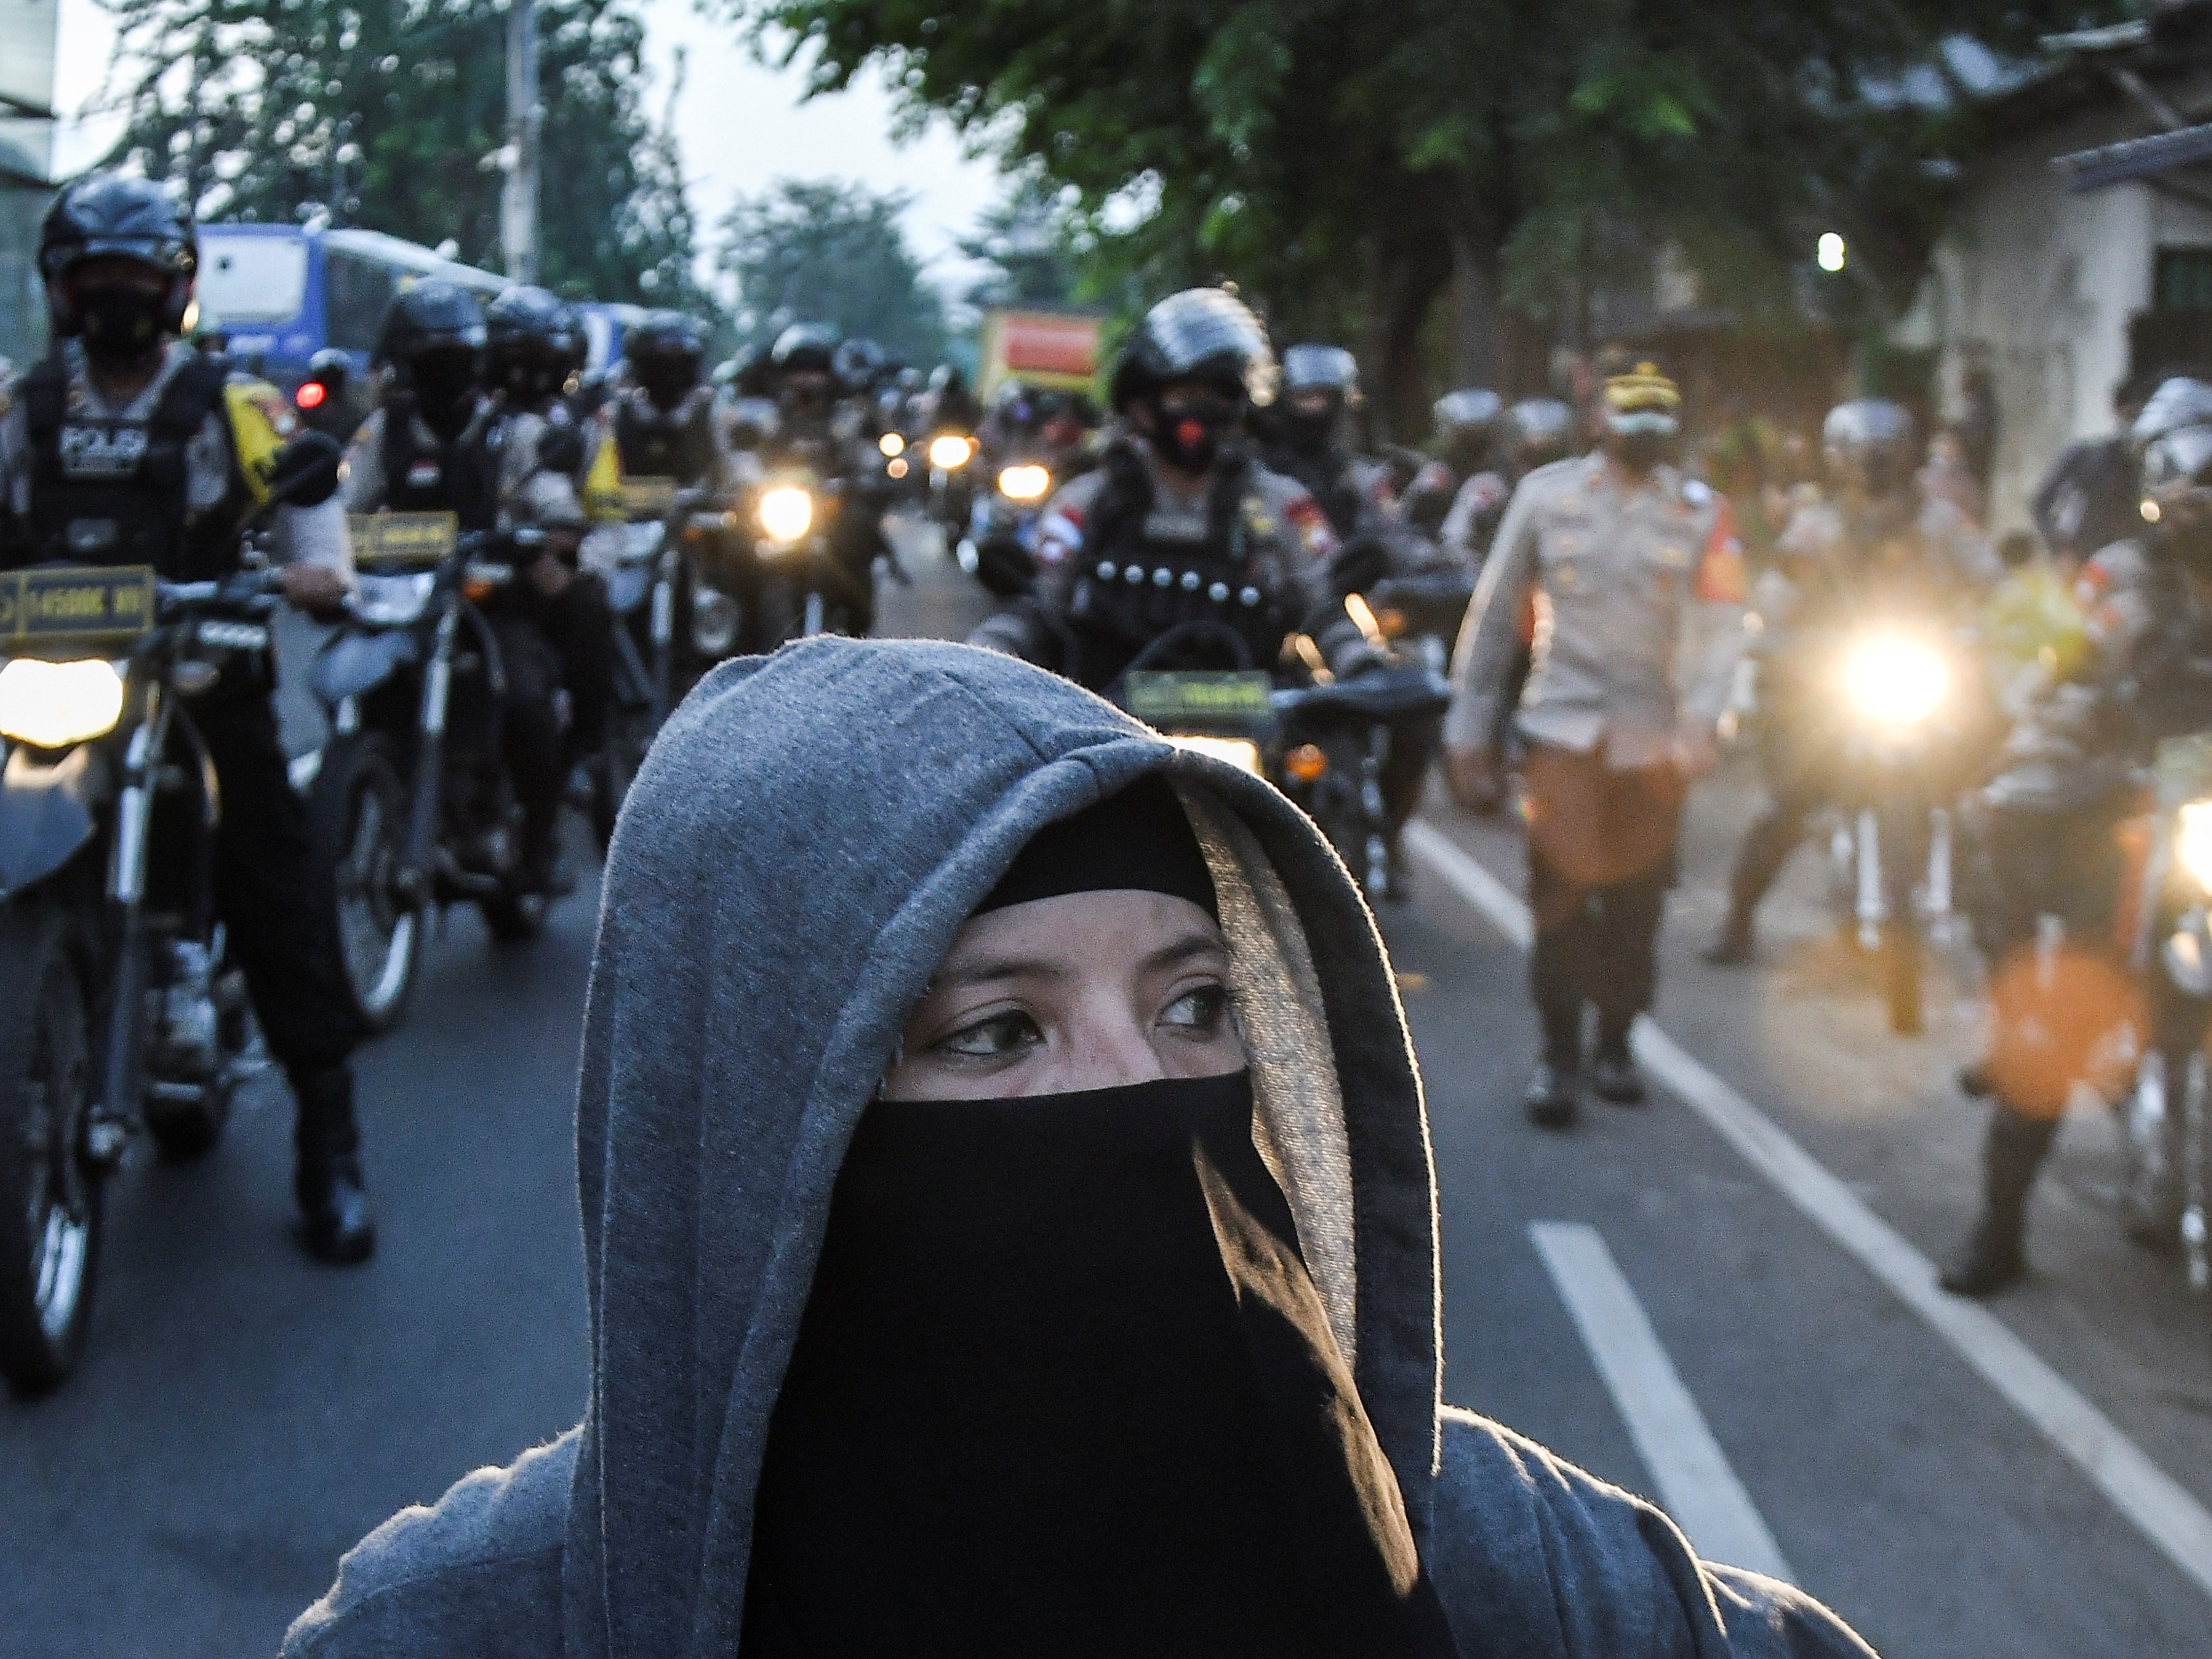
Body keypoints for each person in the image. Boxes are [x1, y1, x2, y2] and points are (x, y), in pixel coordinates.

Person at [281, 635, 1878, 1659]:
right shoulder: (476, 1622)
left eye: (1194, 1005)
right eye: (995, 1033)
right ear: (779, 1114)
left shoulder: (1472, 1545)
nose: (1144, 1094)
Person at [0, 173, 374, 1262]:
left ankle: (329, 1136)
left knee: (274, 876)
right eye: (94, 280)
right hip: (49, 680)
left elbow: (311, 504)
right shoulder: (23, 408)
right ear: (62, 293)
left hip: (202, 675)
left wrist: (315, 574)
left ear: (173, 289)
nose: (114, 299)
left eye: (134, 278)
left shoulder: (232, 404)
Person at [1941, 393, 2212, 1296]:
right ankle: (1999, 1229)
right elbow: (2053, 690)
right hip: (2123, 824)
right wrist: (2046, 761)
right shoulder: (2115, 582)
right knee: (2059, 1017)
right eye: (2191, 486)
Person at [1445, 361, 1747, 1127]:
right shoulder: (1544, 497)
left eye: (1659, 419)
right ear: (1599, 423)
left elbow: (1720, 624)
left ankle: (1616, 1042)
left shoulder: (1702, 513)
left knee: (1637, 909)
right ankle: (1558, 1055)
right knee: (1559, 903)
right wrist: (1467, 727)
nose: (1643, 432)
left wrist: (1702, 718)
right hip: (1560, 733)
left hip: (1652, 746)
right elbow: (1491, 614)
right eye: (1629, 416)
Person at [1701, 400, 2002, 966]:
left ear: (1909, 458)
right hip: (1839, 685)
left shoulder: (1941, 523)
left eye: (1886, 457)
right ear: (1838, 462)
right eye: (1863, 458)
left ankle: (2001, 940)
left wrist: (1980, 636)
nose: (1875, 469)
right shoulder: (1816, 528)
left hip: (1926, 681)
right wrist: (1775, 645)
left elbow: (1992, 582)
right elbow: (1776, 600)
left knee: (1979, 802)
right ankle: (1737, 920)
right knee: (1790, 804)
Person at [968, 287, 1352, 692]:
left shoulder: (1284, 504)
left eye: (1215, 399)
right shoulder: (1089, 502)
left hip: (1259, 731)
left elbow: (1324, 604)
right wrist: (984, 655)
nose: (1202, 414)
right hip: (1106, 728)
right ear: (1143, 409)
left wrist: (1363, 664)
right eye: (1187, 396)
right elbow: (1040, 605)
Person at [341, 281, 586, 896]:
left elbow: (556, 506)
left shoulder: (514, 432)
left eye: (453, 356)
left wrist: (544, 534)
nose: (441, 372)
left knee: (529, 701)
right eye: (427, 358)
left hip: (490, 604)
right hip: (401, 603)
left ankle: (537, 839)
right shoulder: (384, 430)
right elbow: (344, 509)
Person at [1258, 343, 1400, 544]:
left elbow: (1393, 531)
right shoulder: (1260, 469)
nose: (1316, 407)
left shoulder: (1353, 472)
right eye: (1305, 397)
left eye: (1324, 397)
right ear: (1285, 400)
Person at [2030, 374, 2155, 566]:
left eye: (2144, 416)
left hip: (2141, 564)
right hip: (2086, 559)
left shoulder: (2161, 464)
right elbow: (2040, 504)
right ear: (2119, 412)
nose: (2137, 424)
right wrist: (2062, 549)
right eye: (2132, 415)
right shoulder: (2085, 456)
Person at [1402, 386, 1504, 542]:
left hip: (1472, 557)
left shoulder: (1492, 481)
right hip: (1423, 553)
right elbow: (1405, 517)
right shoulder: (1438, 473)